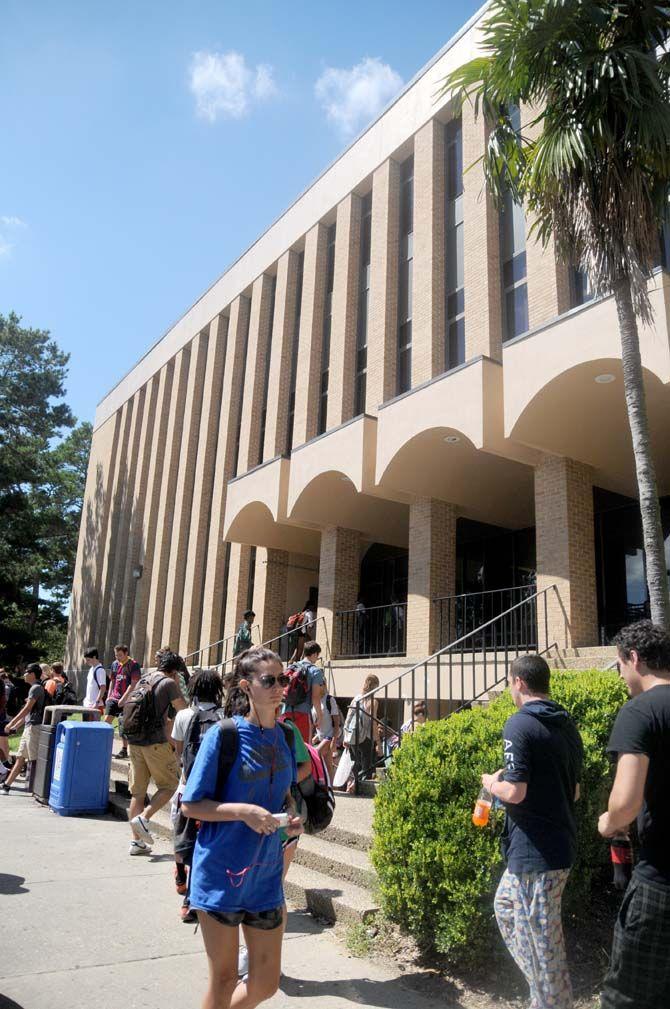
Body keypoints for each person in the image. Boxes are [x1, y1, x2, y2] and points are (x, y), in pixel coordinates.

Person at [180, 647, 303, 1009]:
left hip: (265, 877)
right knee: (224, 979)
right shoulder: (225, 735)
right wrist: (244, 811)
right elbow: (191, 803)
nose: (280, 687)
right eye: (270, 680)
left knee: (266, 983)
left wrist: (290, 819)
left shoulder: (284, 736)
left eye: (284, 679)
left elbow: (285, 796)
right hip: (220, 873)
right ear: (247, 687)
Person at [481, 654, 583, 1009]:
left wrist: (491, 784)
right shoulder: (566, 723)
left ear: (519, 683)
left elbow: (516, 792)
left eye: (510, 683)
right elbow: (574, 790)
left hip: (537, 853)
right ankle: (543, 993)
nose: (510, 689)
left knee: (545, 945)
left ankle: (552, 1001)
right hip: (552, 846)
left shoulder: (519, 724)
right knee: (506, 906)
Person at [599, 620, 670, 1009]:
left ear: (634, 658)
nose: (621, 674)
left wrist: (607, 823)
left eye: (619, 665)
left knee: (628, 998)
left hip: (658, 885)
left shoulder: (639, 712)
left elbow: (624, 804)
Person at [171, 668, 226, 921]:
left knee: (181, 835)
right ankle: (190, 900)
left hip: (186, 788)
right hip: (213, 793)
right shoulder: (224, 718)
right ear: (217, 690)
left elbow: (179, 753)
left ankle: (180, 872)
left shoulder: (183, 715)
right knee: (203, 843)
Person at [126, 650, 186, 855]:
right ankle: (145, 817)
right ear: (174, 671)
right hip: (155, 743)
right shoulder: (169, 683)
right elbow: (183, 711)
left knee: (138, 792)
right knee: (170, 785)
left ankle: (136, 842)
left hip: (134, 741)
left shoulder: (145, 679)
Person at [2, 663, 47, 793]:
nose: (25, 674)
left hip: (34, 728)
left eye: (27, 672)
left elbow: (27, 709)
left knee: (35, 759)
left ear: (33, 674)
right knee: (21, 758)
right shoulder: (33, 688)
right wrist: (16, 726)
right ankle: (7, 785)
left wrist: (10, 724)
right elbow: (27, 712)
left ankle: (40, 789)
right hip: (29, 727)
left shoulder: (36, 688)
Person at [342, 673, 380, 793]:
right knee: (366, 767)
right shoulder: (373, 701)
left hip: (353, 736)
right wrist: (378, 741)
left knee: (356, 765)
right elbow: (373, 723)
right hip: (366, 737)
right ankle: (360, 789)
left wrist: (346, 737)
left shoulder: (356, 698)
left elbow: (348, 717)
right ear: (376, 687)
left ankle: (353, 786)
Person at [281, 640, 325, 744]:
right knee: (304, 749)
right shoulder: (315, 671)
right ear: (314, 654)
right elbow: (315, 697)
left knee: (286, 746)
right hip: (303, 713)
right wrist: (319, 716)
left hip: (286, 712)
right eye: (317, 655)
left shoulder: (291, 667)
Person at [104, 644, 142, 758]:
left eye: (120, 655)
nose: (117, 657)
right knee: (106, 722)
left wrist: (124, 699)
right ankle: (102, 745)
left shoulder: (133, 665)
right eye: (116, 655)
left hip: (127, 699)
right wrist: (109, 695)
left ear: (126, 653)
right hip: (114, 697)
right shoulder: (115, 664)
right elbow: (113, 680)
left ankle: (124, 749)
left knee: (123, 724)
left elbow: (134, 683)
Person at [312, 684, 341, 782]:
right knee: (328, 764)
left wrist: (334, 740)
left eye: (319, 684)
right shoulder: (314, 700)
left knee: (316, 754)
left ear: (323, 685)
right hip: (320, 737)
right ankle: (330, 787)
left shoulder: (329, 700)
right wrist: (316, 737)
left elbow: (336, 722)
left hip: (329, 735)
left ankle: (320, 783)